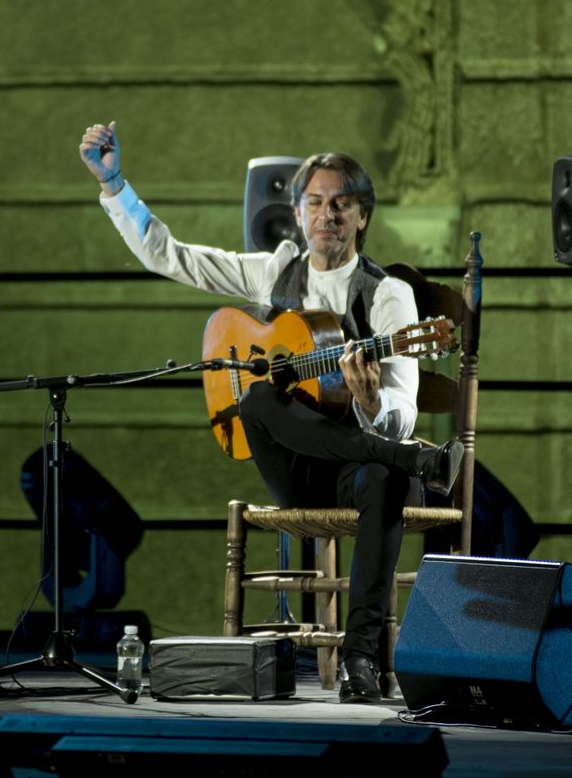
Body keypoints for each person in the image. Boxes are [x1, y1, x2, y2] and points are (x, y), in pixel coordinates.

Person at [78, 121, 463, 704]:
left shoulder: (388, 297)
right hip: (293, 467)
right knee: (258, 396)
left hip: (353, 470)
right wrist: (114, 185)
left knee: (386, 475)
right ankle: (417, 464)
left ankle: (360, 661)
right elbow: (174, 258)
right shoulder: (276, 270)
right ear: (299, 212)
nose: (327, 215)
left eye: (342, 204)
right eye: (315, 202)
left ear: (362, 215)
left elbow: (402, 412)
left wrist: (368, 402)